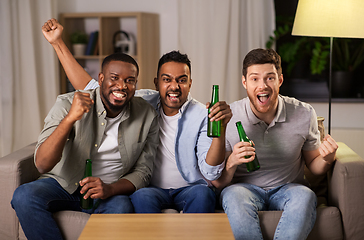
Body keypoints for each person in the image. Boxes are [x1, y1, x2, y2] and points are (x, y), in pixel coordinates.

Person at [40, 18, 232, 213]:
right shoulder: (140, 100)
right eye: (167, 80)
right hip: (151, 189)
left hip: (190, 188)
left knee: (203, 194)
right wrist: (57, 43)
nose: (174, 86)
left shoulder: (201, 114)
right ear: (156, 83)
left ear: (190, 83)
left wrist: (220, 129)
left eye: (182, 80)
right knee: (141, 197)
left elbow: (211, 172)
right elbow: (92, 87)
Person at [11, 38, 159, 239]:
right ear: (100, 79)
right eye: (114, 78)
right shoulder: (67, 103)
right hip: (62, 183)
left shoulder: (147, 114)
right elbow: (42, 165)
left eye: (130, 80)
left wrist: (109, 189)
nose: (122, 86)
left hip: (107, 190)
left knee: (122, 206)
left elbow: (143, 171)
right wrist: (71, 118)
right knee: (24, 196)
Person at [212, 48, 338, 240]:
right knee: (232, 195)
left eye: (269, 78)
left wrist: (327, 158)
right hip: (243, 189)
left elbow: (314, 165)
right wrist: (231, 162)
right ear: (244, 82)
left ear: (280, 80)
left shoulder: (304, 113)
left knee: (306, 195)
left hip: (289, 187)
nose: (262, 86)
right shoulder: (229, 117)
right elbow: (218, 182)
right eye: (254, 79)